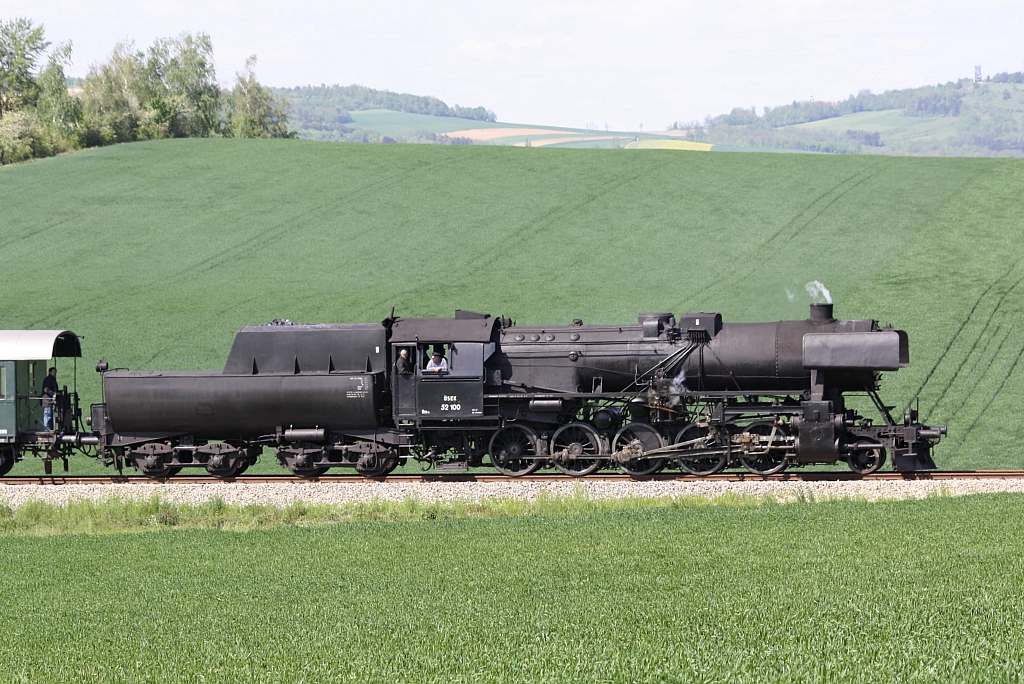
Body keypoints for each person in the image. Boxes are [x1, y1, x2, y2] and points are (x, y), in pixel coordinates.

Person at [42, 367, 58, 431]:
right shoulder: (48, 380)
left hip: (51, 401)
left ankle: (50, 428)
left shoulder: (52, 380)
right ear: (50, 372)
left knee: (50, 415)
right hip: (47, 400)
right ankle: (47, 428)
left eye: (55, 372)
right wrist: (54, 393)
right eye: (53, 372)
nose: (55, 373)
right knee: (48, 414)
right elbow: (46, 390)